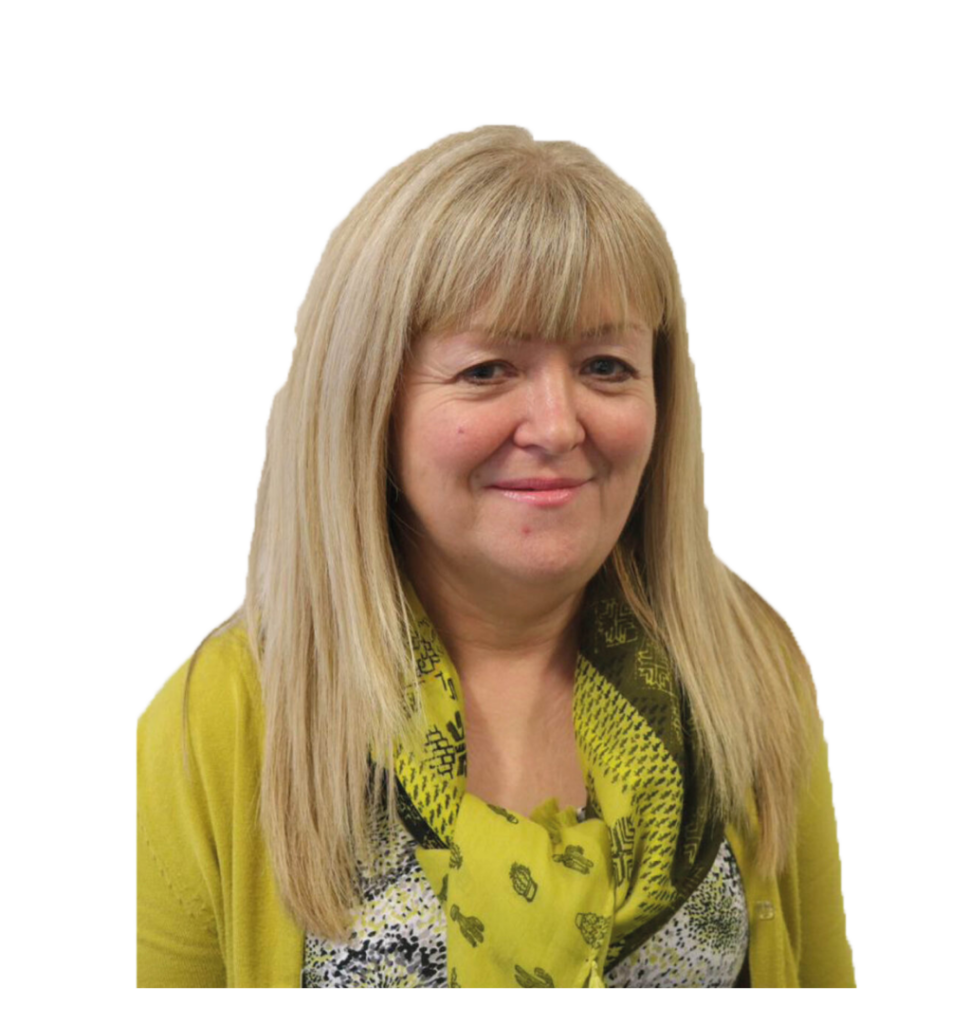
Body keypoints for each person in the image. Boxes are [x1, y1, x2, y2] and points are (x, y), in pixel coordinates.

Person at [135, 123, 857, 989]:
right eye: (486, 370)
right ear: (371, 404)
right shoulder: (218, 722)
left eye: (605, 364)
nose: (557, 426)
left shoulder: (748, 670)